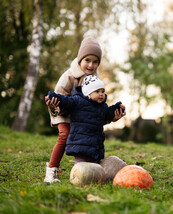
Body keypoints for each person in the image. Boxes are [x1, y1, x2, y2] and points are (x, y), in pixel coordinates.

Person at [44, 37, 126, 183]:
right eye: (87, 60)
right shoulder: (69, 76)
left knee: (91, 134)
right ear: (80, 59)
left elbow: (95, 109)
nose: (91, 65)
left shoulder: (95, 79)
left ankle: (90, 167)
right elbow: (59, 97)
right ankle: (52, 170)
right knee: (65, 135)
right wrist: (54, 105)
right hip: (63, 110)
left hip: (81, 114)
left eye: (95, 62)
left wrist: (110, 117)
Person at [46, 75, 125, 168]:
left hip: (96, 145)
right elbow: (66, 101)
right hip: (80, 143)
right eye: (97, 91)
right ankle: (78, 175)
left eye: (103, 91)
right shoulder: (78, 101)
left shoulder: (102, 107)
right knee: (81, 166)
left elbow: (108, 113)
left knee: (95, 167)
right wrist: (54, 97)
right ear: (88, 93)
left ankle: (94, 176)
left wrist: (118, 108)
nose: (101, 94)